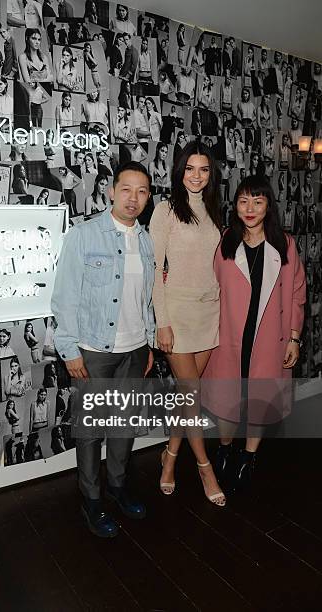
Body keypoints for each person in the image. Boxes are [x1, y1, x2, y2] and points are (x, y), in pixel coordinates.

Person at [51, 161, 155, 538]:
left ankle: (118, 487)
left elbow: (145, 301)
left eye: (142, 191)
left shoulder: (145, 240)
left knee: (124, 426)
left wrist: (150, 345)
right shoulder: (84, 235)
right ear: (111, 191)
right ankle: (92, 500)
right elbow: (64, 298)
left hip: (135, 348)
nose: (134, 198)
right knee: (92, 431)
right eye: (126, 189)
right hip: (93, 350)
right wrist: (69, 349)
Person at [202, 175, 306, 492]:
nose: (250, 208)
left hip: (269, 339)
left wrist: (293, 337)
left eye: (258, 202)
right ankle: (224, 447)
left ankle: (248, 457)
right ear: (235, 206)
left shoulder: (285, 245)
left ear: (267, 207)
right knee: (226, 399)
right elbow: (207, 288)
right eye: (244, 201)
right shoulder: (224, 243)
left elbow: (297, 293)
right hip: (229, 338)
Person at [149, 141, 225, 506]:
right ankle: (204, 466)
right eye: (190, 169)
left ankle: (169, 458)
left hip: (209, 313)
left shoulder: (213, 210)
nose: (196, 176)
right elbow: (153, 270)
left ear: (211, 175)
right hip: (176, 316)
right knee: (191, 396)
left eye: (204, 169)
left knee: (187, 397)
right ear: (179, 171)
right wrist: (161, 323)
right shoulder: (165, 211)